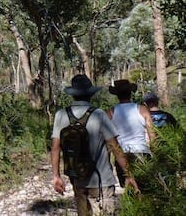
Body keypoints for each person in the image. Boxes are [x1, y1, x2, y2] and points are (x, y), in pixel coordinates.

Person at [51, 74, 138, 216]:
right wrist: (128, 174)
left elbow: (55, 147)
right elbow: (114, 146)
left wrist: (56, 176)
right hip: (101, 179)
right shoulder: (98, 114)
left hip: (77, 179)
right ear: (90, 94)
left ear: (73, 94)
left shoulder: (61, 115)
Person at [107, 79, 156, 188]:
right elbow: (153, 136)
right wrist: (156, 154)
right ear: (130, 93)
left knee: (129, 190)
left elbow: (108, 139)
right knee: (146, 190)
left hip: (122, 156)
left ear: (117, 95)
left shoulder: (110, 112)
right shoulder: (142, 109)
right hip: (142, 153)